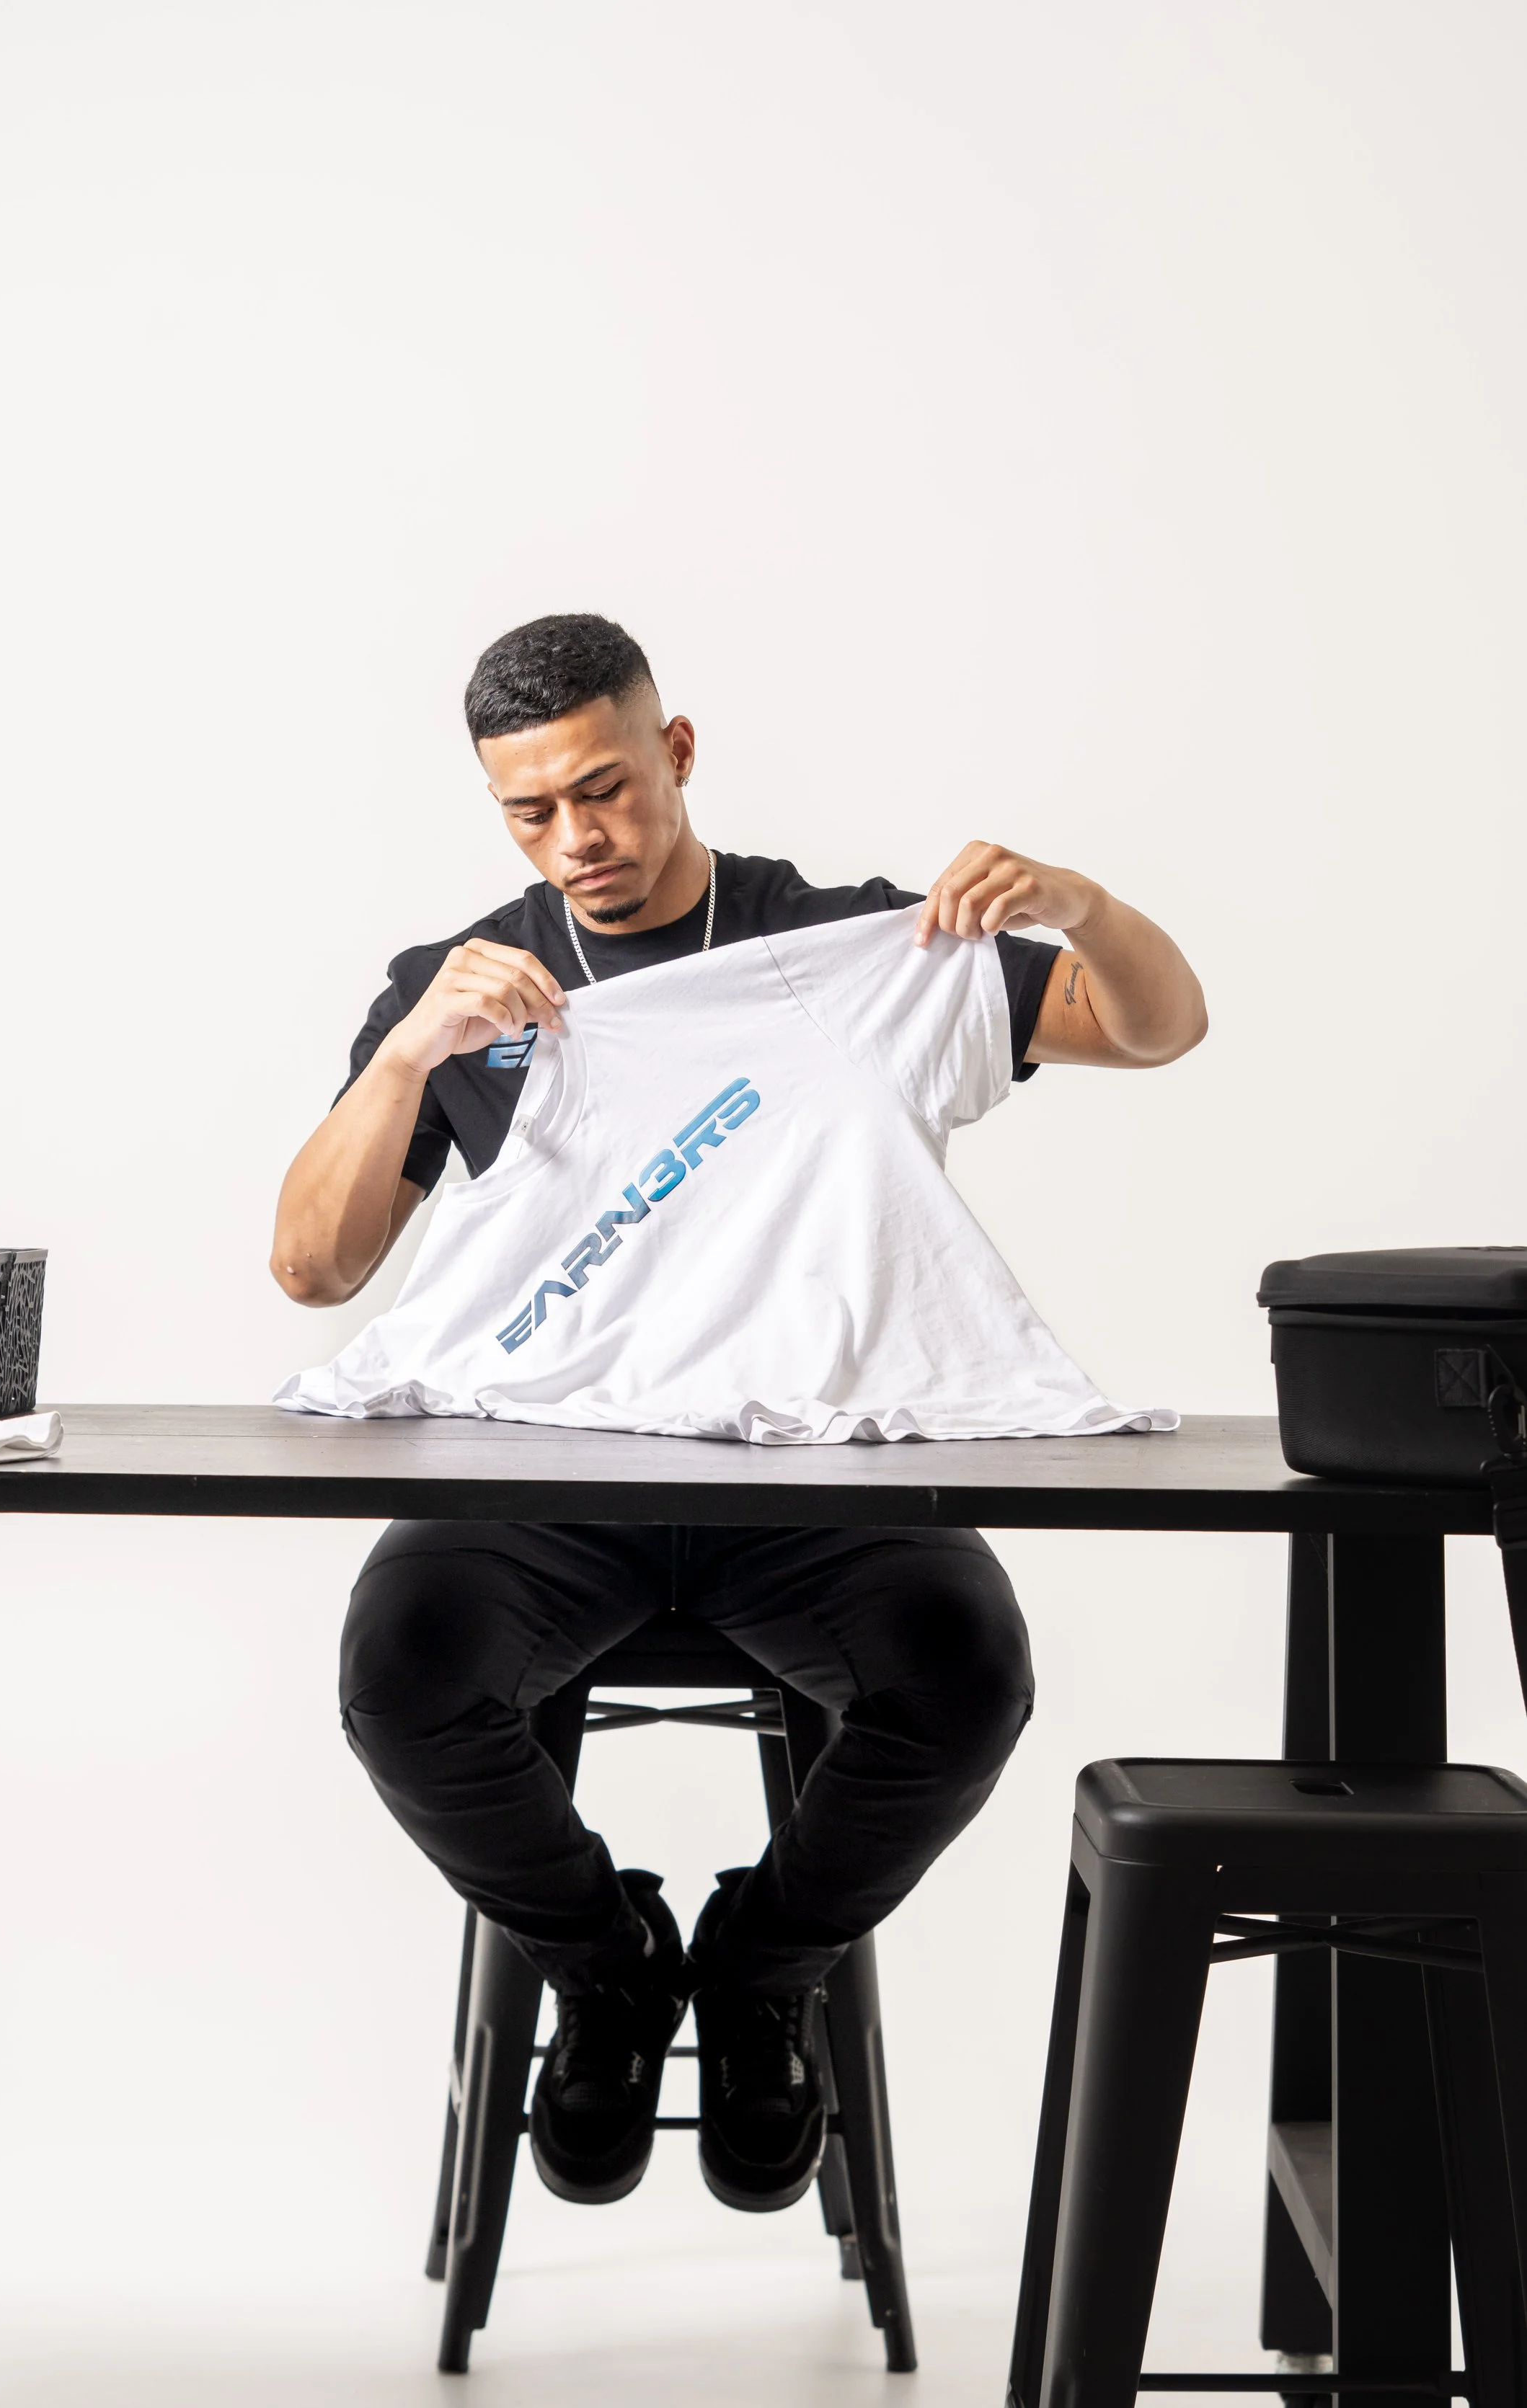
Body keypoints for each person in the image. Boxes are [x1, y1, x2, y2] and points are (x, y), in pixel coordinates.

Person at [272, 613, 1207, 2218]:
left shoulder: (841, 950)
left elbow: (1155, 1027)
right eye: (530, 811)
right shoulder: (469, 986)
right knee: (398, 1679)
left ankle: (764, 1972)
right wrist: (414, 1050)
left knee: (969, 1675)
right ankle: (607, 1967)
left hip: (809, 1475)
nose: (576, 838)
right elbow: (313, 1267)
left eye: (605, 790)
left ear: (677, 751)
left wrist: (1081, 906)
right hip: (544, 1476)